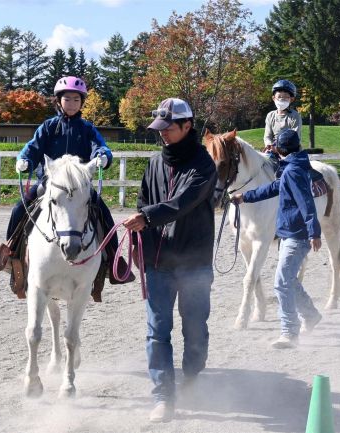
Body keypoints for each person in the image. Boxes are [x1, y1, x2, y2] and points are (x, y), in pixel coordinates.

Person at [0, 76, 133, 295]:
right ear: (59, 101)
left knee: (103, 211)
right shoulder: (48, 127)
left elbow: (101, 147)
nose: (71, 104)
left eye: (75, 99)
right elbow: (32, 148)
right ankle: (10, 252)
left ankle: (112, 258)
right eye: (67, 99)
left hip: (79, 184)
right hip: (50, 183)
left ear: (81, 102)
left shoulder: (88, 129)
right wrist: (24, 159)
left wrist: (103, 156)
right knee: (19, 208)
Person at [123, 98, 217, 423]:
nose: (161, 135)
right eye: (159, 129)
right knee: (157, 331)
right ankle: (164, 396)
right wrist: (141, 243)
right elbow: (142, 199)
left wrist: (146, 218)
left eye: (168, 129)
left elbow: (184, 202)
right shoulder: (153, 164)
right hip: (158, 262)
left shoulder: (205, 165)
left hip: (194, 263)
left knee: (195, 330)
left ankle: (192, 378)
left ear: (187, 126)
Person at [231, 129, 322, 349]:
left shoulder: (291, 171)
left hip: (296, 235)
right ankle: (311, 315)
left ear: (279, 149)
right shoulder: (292, 167)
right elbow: (274, 188)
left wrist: (314, 232)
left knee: (281, 283)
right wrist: (246, 197)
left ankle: (289, 332)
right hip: (289, 233)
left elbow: (306, 202)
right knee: (289, 279)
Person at [263, 79, 302, 152]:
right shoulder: (270, 115)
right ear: (274, 98)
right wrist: (269, 145)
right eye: (279, 97)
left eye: (285, 97)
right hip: (273, 150)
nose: (282, 99)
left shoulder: (295, 116)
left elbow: (294, 137)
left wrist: (279, 149)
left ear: (291, 99)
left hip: (290, 151)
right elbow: (267, 136)